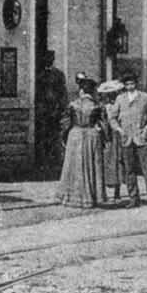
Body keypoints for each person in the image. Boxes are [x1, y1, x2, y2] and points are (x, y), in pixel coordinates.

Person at [111, 71, 147, 206]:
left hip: (142, 138)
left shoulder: (144, 97)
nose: (130, 86)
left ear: (136, 84)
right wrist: (119, 130)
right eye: (127, 84)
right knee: (129, 170)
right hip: (126, 138)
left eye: (132, 83)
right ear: (124, 86)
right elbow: (112, 118)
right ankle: (133, 198)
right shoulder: (120, 99)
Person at [58, 73, 107, 208]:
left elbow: (65, 122)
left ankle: (72, 197)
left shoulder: (73, 104)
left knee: (74, 165)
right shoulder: (97, 106)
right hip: (92, 135)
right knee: (92, 165)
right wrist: (100, 131)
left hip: (75, 135)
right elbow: (104, 124)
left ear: (81, 91)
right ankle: (92, 197)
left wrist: (63, 136)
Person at [33, 51, 68, 175]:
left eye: (50, 58)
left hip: (55, 111)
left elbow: (62, 92)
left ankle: (55, 163)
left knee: (54, 138)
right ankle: (43, 163)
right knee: (43, 138)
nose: (48, 60)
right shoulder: (39, 75)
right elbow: (38, 93)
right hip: (43, 112)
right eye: (46, 58)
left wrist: (60, 108)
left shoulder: (58, 74)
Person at [96, 79, 126, 202]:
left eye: (114, 93)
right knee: (107, 162)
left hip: (118, 135)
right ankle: (104, 191)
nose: (112, 96)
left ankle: (117, 192)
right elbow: (101, 120)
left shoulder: (120, 104)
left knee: (119, 162)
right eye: (110, 94)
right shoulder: (103, 107)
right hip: (108, 136)